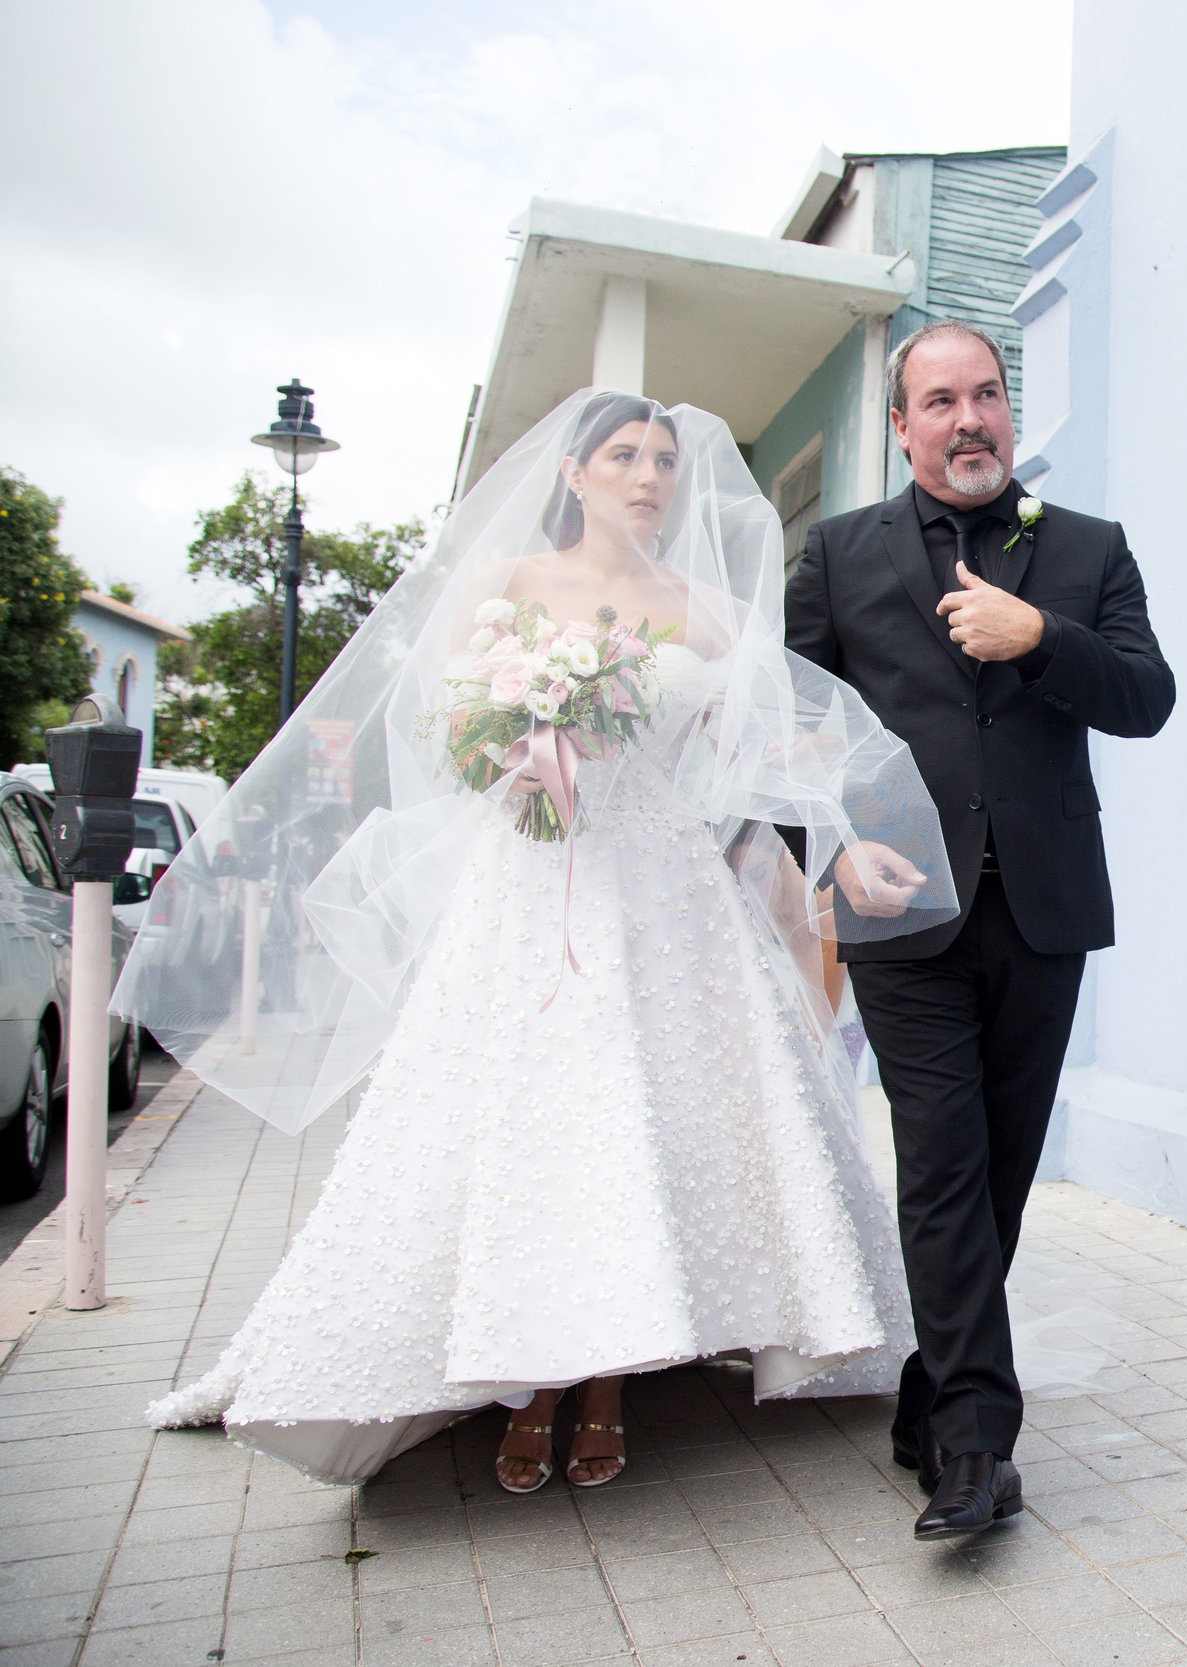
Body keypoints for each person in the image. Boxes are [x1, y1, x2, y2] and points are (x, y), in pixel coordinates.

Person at [124, 392, 955, 1489]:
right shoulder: (505, 586)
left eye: (662, 458)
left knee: (639, 1118)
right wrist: (516, 743)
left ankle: (608, 1376)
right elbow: (437, 735)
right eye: (623, 454)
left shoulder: (703, 609)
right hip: (530, 875)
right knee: (532, 1119)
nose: (648, 475)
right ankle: (531, 1382)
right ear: (573, 472)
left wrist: (842, 847)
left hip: (663, 886)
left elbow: (766, 758)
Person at [784, 320, 1175, 1540]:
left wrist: (1039, 637)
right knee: (942, 1167)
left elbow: (1147, 697)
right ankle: (973, 1450)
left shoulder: (1089, 549)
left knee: (998, 1175)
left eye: (987, 395)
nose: (969, 419)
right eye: (939, 400)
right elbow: (783, 731)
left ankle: (928, 1391)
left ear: (1009, 411)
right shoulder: (839, 554)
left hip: (1041, 906)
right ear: (901, 427)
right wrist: (833, 843)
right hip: (898, 908)